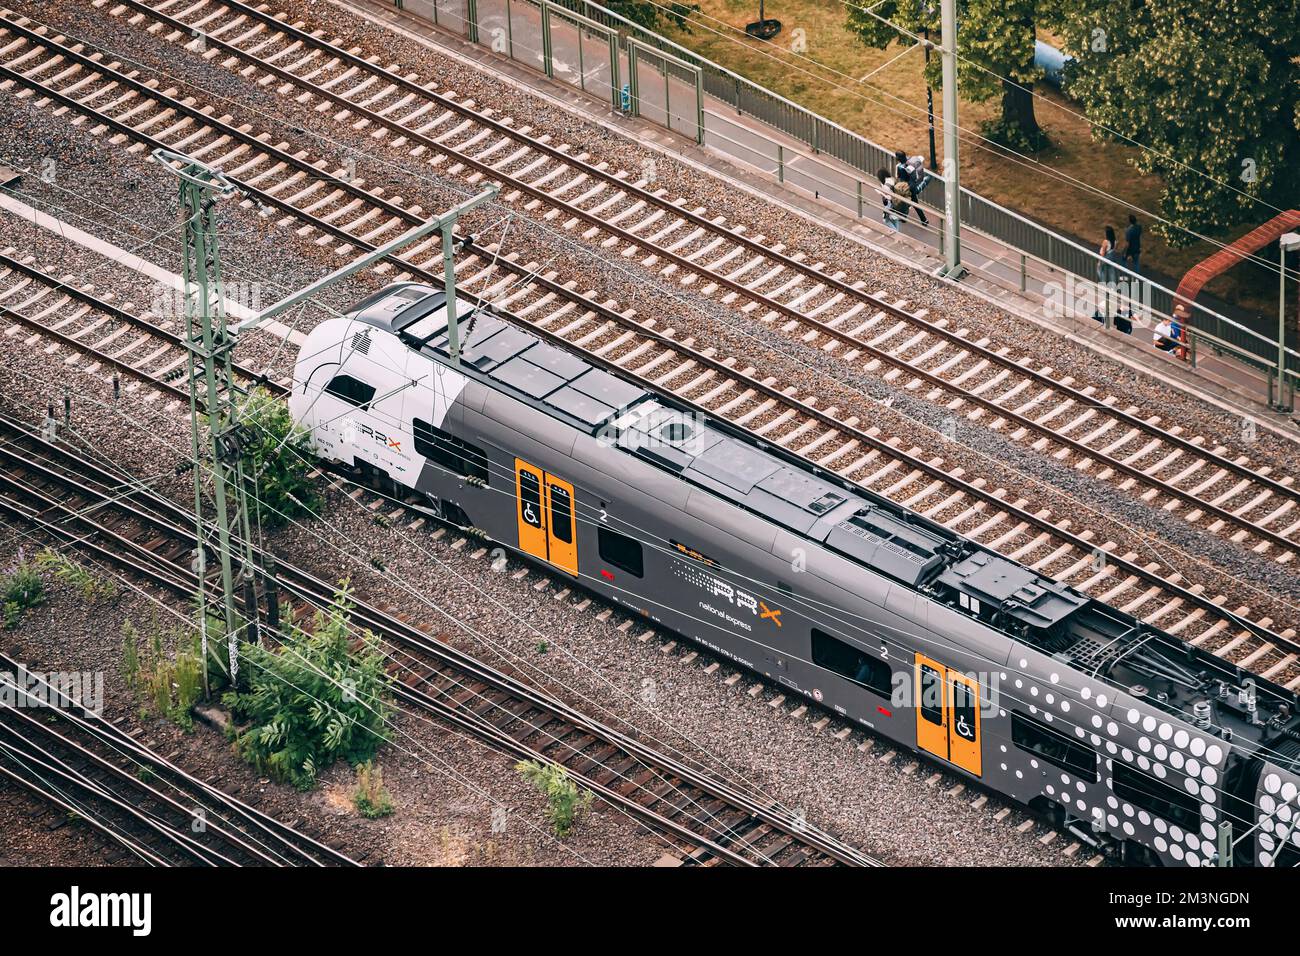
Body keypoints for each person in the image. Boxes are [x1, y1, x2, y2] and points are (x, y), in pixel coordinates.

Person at [893, 150, 931, 226]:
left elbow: (913, 179)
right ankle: (922, 220)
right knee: (908, 202)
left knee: (913, 203)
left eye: (897, 156)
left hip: (908, 188)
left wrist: (908, 188)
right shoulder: (901, 165)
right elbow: (899, 177)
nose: (896, 157)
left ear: (899, 157)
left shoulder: (908, 167)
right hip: (903, 188)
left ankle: (923, 220)